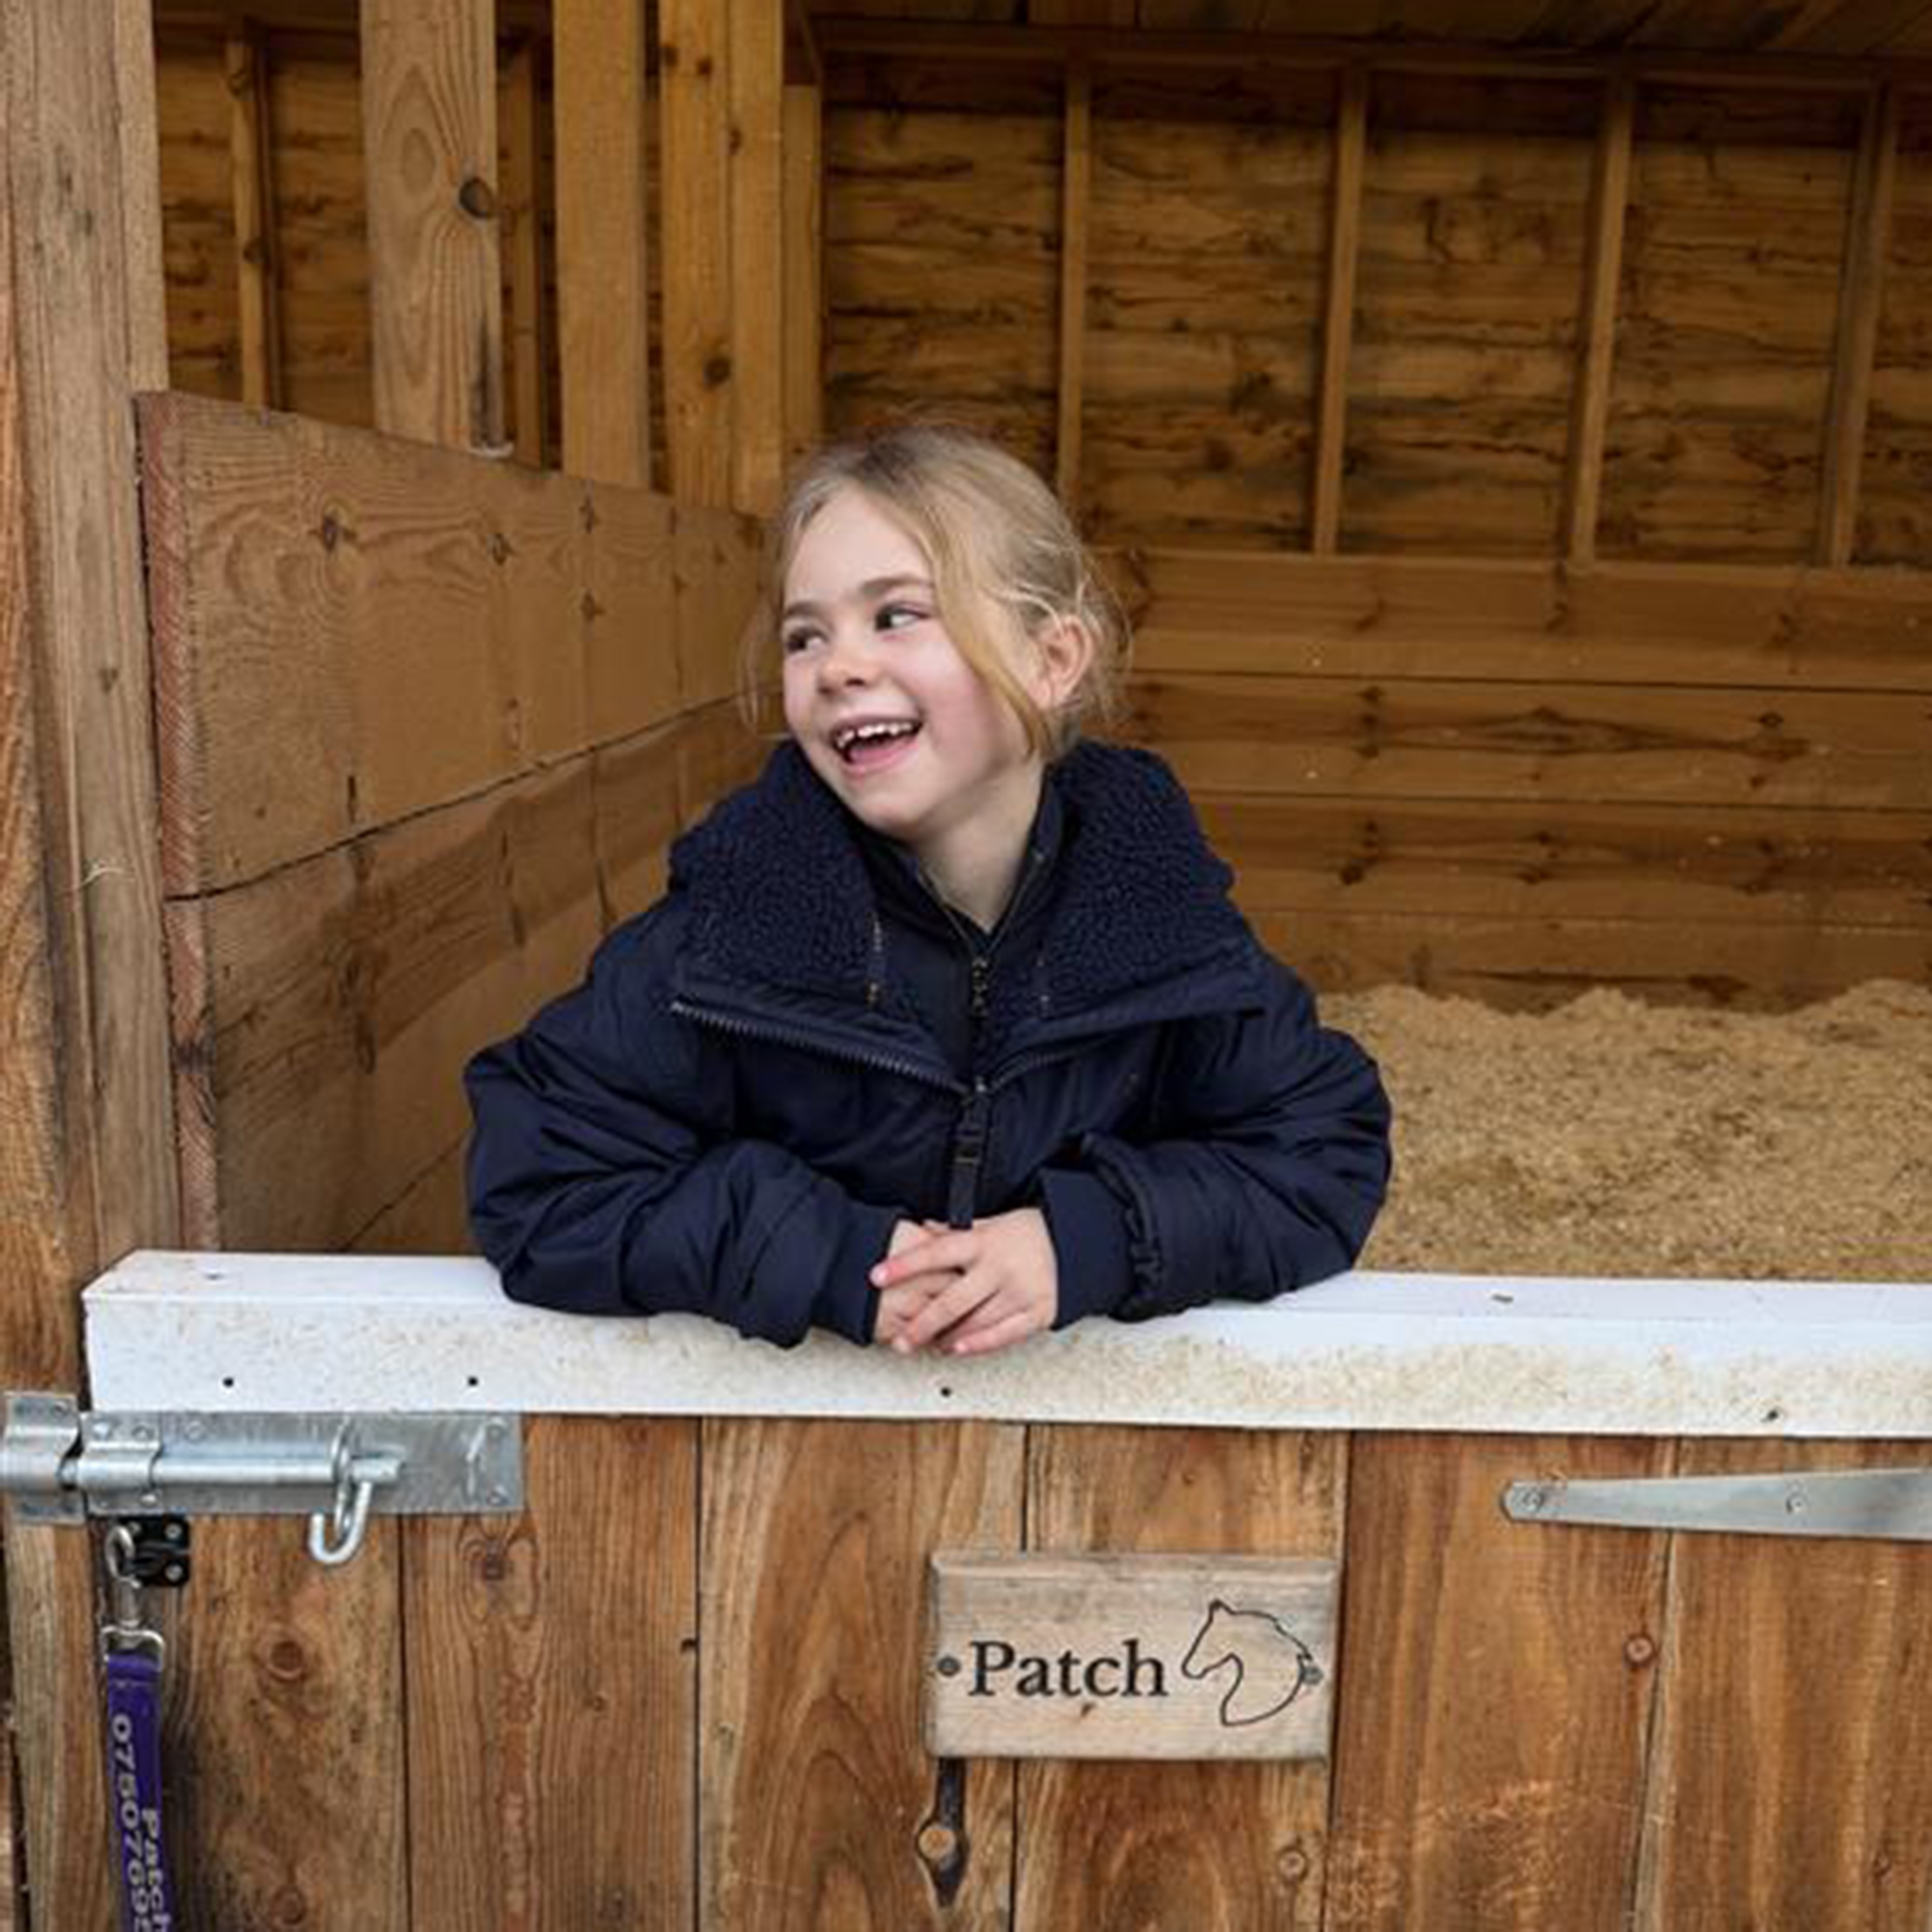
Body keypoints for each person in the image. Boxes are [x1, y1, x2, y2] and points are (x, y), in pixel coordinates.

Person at [464, 425, 1391, 1356]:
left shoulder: (1159, 922)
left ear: (1052, 660)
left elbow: (1321, 1153)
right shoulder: (734, 929)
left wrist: (1086, 1241)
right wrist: (830, 1257)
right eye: (804, 634)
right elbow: (540, 1179)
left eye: (897, 615)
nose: (838, 666)